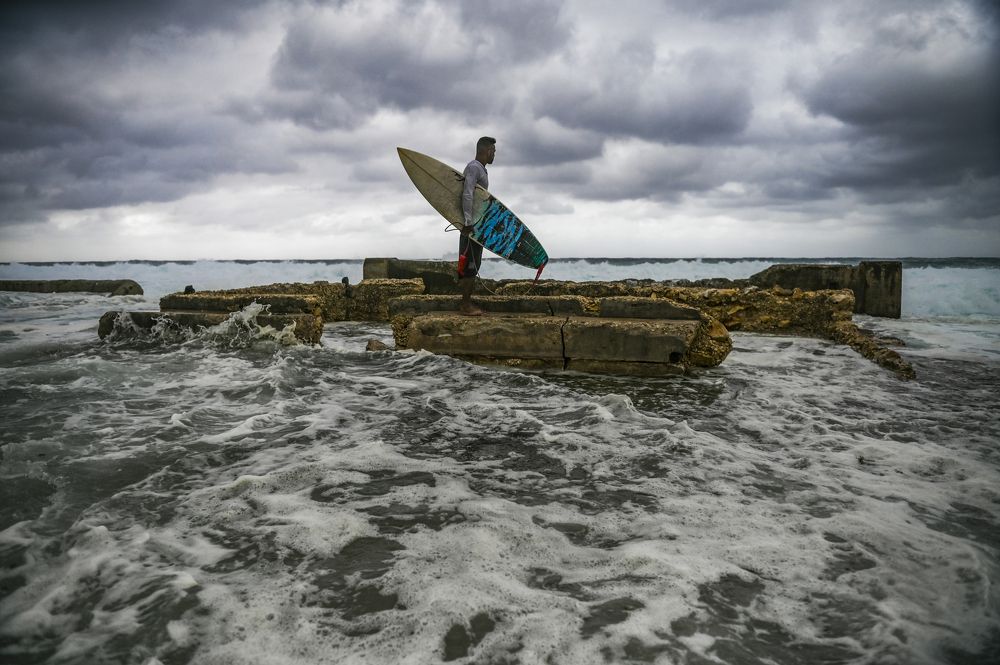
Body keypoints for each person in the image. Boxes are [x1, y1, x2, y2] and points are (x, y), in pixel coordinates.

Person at [458, 136, 495, 316]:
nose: (494, 154)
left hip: (477, 227)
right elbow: (467, 194)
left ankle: (467, 302)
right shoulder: (474, 167)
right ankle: (465, 305)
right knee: (469, 265)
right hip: (471, 226)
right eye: (493, 151)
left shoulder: (481, 169)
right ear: (486, 150)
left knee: (475, 263)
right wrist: (468, 222)